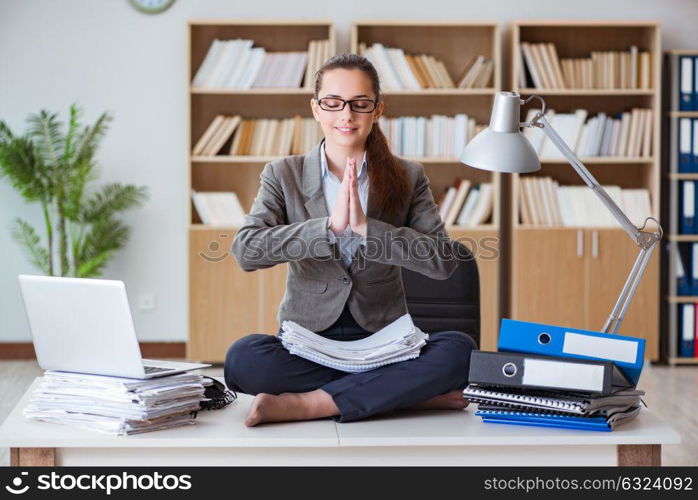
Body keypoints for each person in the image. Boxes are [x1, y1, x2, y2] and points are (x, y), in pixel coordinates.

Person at [225, 53, 476, 427]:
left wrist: (368, 228)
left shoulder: (407, 177)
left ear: (377, 110)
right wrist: (326, 227)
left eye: (360, 104)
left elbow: (442, 261)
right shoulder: (284, 174)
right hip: (307, 342)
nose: (346, 115)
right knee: (243, 359)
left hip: (384, 341)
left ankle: (312, 404)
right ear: (316, 109)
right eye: (333, 103)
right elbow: (246, 251)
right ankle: (403, 397)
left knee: (461, 352)